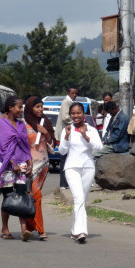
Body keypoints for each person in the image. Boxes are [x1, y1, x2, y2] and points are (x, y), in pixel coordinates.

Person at [59, 102, 103, 243]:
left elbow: (99, 148)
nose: (75, 116)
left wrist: (86, 137)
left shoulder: (91, 130)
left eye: (78, 113)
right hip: (72, 168)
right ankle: (81, 231)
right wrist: (66, 136)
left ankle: (74, 230)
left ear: (83, 114)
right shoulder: (67, 130)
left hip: (88, 167)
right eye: (73, 113)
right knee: (78, 198)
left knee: (82, 200)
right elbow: (62, 151)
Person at [0, 96, 33, 241]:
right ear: (10, 108)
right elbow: (0, 147)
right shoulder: (0, 124)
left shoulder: (21, 125)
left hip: (21, 162)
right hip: (4, 165)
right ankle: (5, 228)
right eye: (19, 107)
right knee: (8, 197)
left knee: (21, 195)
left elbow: (25, 146)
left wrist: (30, 163)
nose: (21, 110)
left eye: (22, 107)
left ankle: (24, 230)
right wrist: (12, 163)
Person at [24, 96, 55, 240]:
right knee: (36, 195)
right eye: (37, 107)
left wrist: (46, 133)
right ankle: (40, 230)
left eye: (42, 107)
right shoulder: (23, 124)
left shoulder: (45, 122)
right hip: (29, 166)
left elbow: (53, 145)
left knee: (34, 197)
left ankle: (30, 227)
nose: (40, 109)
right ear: (30, 108)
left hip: (43, 165)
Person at [55, 87, 77, 190]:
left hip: (67, 133)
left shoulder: (70, 102)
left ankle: (67, 182)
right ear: (68, 93)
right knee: (64, 158)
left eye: (76, 93)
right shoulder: (67, 102)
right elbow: (65, 117)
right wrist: (76, 121)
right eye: (72, 93)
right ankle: (63, 183)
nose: (74, 95)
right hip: (65, 134)